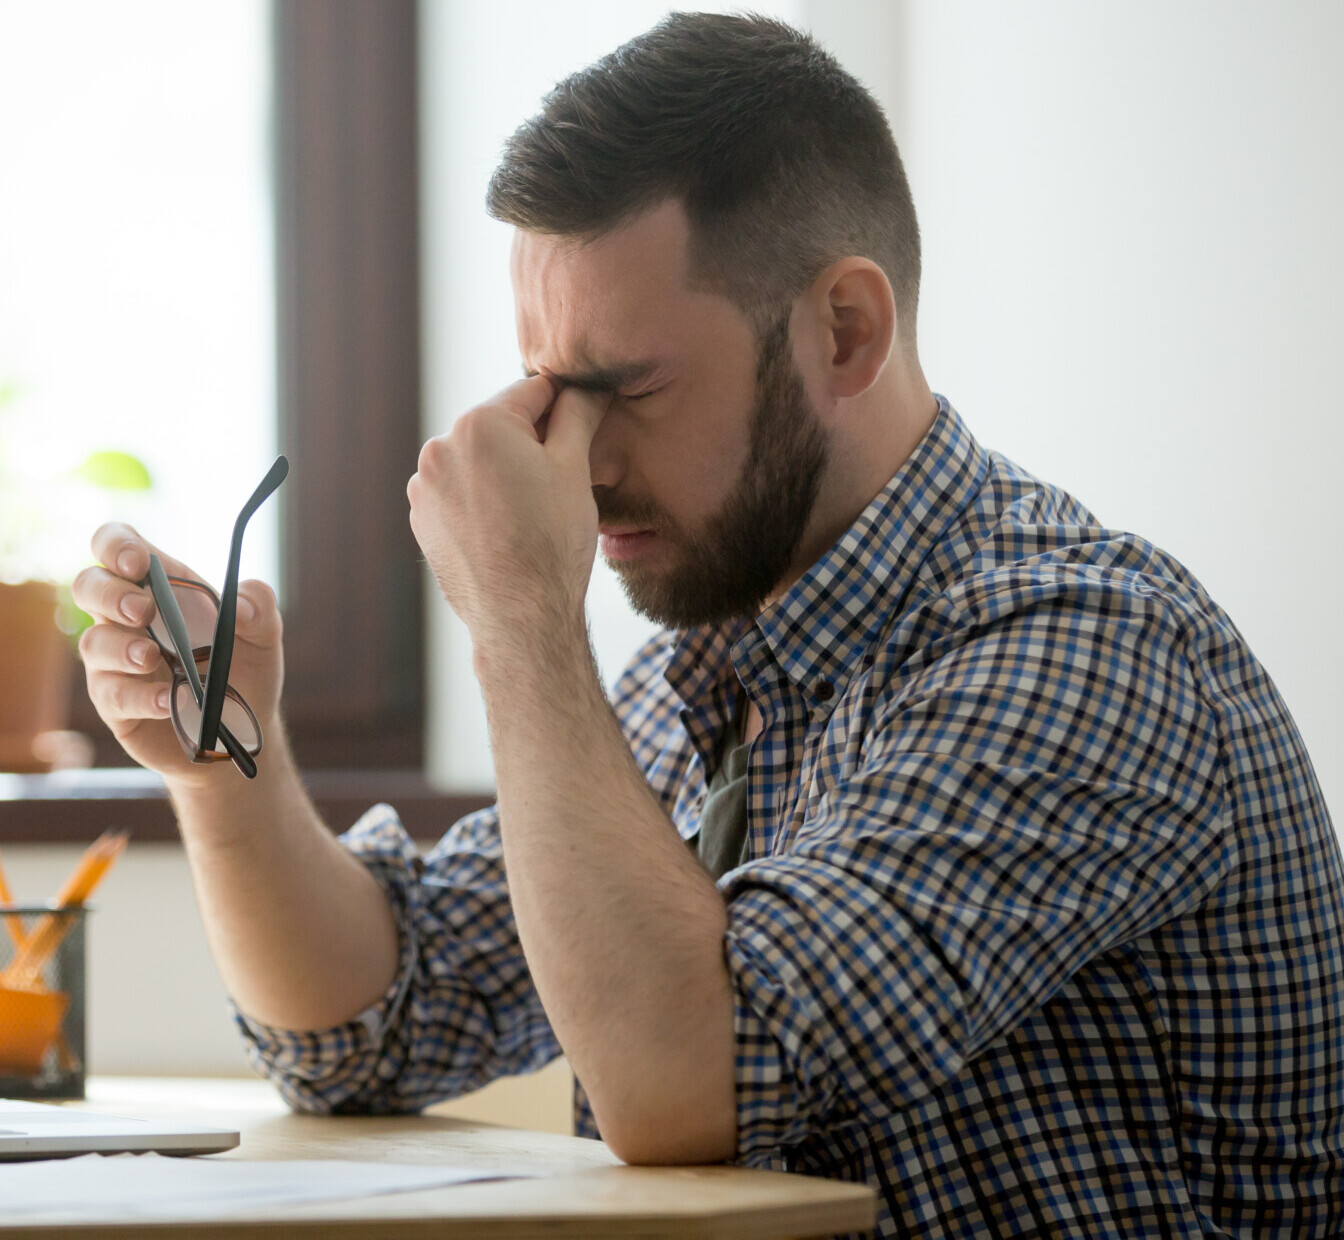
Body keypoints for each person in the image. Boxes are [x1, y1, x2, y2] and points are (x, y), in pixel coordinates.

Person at [71, 12, 1344, 1236]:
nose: (573, 460)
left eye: (624, 388)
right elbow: (369, 1024)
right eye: (545, 392)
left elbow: (696, 1081)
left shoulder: (1077, 649)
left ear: (843, 331)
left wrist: (519, 617)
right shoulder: (712, 663)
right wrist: (219, 762)